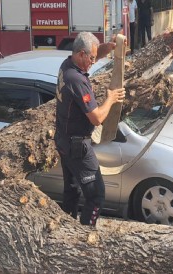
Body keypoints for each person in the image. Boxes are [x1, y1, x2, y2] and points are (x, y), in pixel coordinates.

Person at [54, 32, 125, 226]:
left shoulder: (67, 65)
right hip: (78, 147)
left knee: (72, 190)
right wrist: (111, 98)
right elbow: (96, 118)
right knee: (96, 195)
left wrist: (109, 47)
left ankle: (66, 228)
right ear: (81, 54)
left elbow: (93, 53)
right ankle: (87, 233)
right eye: (92, 58)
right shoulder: (76, 80)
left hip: (64, 141)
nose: (94, 61)